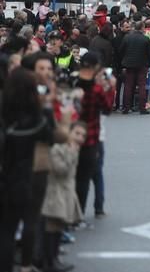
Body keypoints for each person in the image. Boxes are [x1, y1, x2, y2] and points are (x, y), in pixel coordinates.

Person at [0, 68, 63, 272]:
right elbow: (50, 137)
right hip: (25, 176)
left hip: (5, 175)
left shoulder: (4, 114)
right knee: (30, 222)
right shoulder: (37, 117)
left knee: (6, 231)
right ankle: (27, 265)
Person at [41, 122, 86, 272]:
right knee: (52, 226)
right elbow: (62, 170)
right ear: (69, 133)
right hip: (56, 193)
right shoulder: (58, 149)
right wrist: (73, 153)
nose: (80, 138)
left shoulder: (72, 148)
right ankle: (50, 261)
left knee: (59, 226)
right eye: (77, 133)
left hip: (65, 192)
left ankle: (54, 259)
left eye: (82, 135)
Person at [74, 52, 115, 218]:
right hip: (91, 136)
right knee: (88, 175)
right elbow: (107, 109)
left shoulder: (73, 81)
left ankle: (73, 213)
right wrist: (110, 88)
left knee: (74, 176)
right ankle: (81, 212)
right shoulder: (97, 89)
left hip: (71, 134)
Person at [120, 21, 150, 114]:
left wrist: (124, 62)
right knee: (142, 86)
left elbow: (121, 50)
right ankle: (142, 108)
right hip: (142, 65)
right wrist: (149, 64)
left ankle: (126, 108)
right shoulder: (145, 39)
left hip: (129, 64)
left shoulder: (127, 37)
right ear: (142, 28)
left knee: (128, 86)